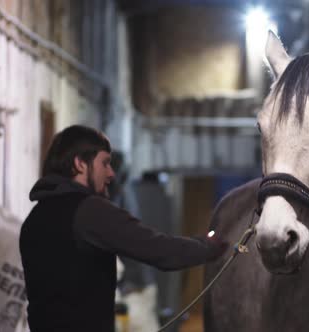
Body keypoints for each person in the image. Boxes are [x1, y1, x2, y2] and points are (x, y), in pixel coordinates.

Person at [19, 125, 227, 332]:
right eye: (105, 163)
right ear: (80, 164)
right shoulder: (90, 211)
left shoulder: (34, 219)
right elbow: (159, 249)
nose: (111, 174)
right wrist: (209, 246)